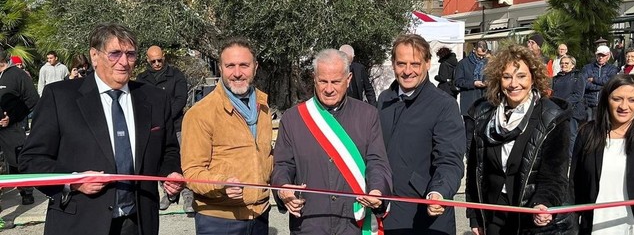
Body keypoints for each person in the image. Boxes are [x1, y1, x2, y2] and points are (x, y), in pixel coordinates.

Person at [19, 23, 184, 235]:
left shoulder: (154, 98)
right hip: (80, 223)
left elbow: (168, 149)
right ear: (95, 56)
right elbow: (31, 160)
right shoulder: (59, 97)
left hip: (139, 223)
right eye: (115, 54)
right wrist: (73, 180)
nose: (124, 62)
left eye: (130, 54)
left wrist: (170, 172)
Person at [272, 49, 392, 235]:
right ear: (314, 78)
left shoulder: (368, 115)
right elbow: (282, 165)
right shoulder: (292, 118)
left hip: (354, 224)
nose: (329, 89)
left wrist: (378, 190)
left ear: (349, 79)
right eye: (323, 81)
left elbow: (378, 163)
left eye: (336, 82)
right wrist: (283, 189)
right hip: (309, 224)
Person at [465, 44, 575, 234]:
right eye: (506, 77)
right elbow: (476, 169)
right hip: (494, 214)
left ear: (533, 78)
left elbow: (555, 174)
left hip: (530, 216)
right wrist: (475, 215)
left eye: (521, 76)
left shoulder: (551, 116)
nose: (514, 83)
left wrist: (544, 202)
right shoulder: (483, 114)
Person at [181, 38, 273, 234]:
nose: (237, 73)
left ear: (255, 67)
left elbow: (267, 157)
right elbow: (192, 172)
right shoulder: (200, 114)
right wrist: (221, 183)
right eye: (230, 66)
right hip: (219, 220)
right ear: (220, 68)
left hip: (260, 216)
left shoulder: (263, 107)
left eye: (244, 65)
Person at [377, 34, 465, 235]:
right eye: (401, 64)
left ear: (427, 63)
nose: (408, 71)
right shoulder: (384, 100)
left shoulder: (444, 105)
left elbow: (450, 159)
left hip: (425, 215)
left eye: (415, 64)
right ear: (392, 64)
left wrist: (439, 191)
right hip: (387, 213)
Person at [571, 74, 634, 234]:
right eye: (617, 99)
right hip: (595, 226)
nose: (624, 106)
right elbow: (574, 183)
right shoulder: (588, 133)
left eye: (632, 100)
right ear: (606, 99)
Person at [136, 45, 191, 212]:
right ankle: (167, 194)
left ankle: (188, 196)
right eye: (153, 61)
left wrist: (166, 115)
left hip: (176, 125)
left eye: (159, 60)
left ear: (164, 57)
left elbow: (181, 98)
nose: (157, 63)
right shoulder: (142, 79)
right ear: (147, 60)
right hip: (155, 127)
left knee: (184, 161)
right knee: (160, 161)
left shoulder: (176, 75)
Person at [0, 48, 39, 207]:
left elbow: (32, 99)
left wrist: (12, 117)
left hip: (12, 126)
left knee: (17, 159)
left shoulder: (17, 75)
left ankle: (26, 190)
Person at [551, 55, 586, 153]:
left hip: (572, 111)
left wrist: (564, 104)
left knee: (571, 135)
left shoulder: (578, 76)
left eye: (566, 63)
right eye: (562, 63)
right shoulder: (556, 78)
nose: (564, 65)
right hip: (557, 111)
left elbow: (578, 95)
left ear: (572, 65)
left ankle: (571, 159)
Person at [582, 45, 619, 121]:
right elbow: (584, 83)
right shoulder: (587, 68)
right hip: (588, 102)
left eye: (603, 55)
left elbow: (610, 82)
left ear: (608, 56)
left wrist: (594, 79)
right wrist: (601, 86)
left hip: (604, 102)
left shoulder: (612, 69)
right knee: (588, 125)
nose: (601, 57)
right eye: (599, 55)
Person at [455, 40, 488, 115]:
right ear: (474, 50)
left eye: (483, 55)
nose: (481, 57)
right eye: (479, 55)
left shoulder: (488, 63)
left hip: (485, 104)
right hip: (469, 103)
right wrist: (473, 83)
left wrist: (488, 82)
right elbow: (458, 81)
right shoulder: (463, 63)